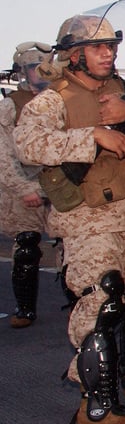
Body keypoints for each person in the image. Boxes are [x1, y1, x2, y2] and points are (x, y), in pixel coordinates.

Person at [13, 6, 125, 424]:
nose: (107, 53)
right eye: (96, 47)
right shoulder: (53, 99)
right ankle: (96, 409)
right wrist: (91, 134)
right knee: (101, 302)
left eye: (111, 45)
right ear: (73, 54)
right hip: (88, 218)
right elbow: (28, 145)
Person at [2, 42, 54, 328]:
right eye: (35, 67)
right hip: (26, 182)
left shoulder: (60, 99)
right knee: (26, 246)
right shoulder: (11, 106)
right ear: (23, 71)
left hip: (59, 183)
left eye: (45, 66)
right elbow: (4, 155)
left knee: (70, 246)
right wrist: (24, 189)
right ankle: (25, 309)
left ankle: (76, 305)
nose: (41, 72)